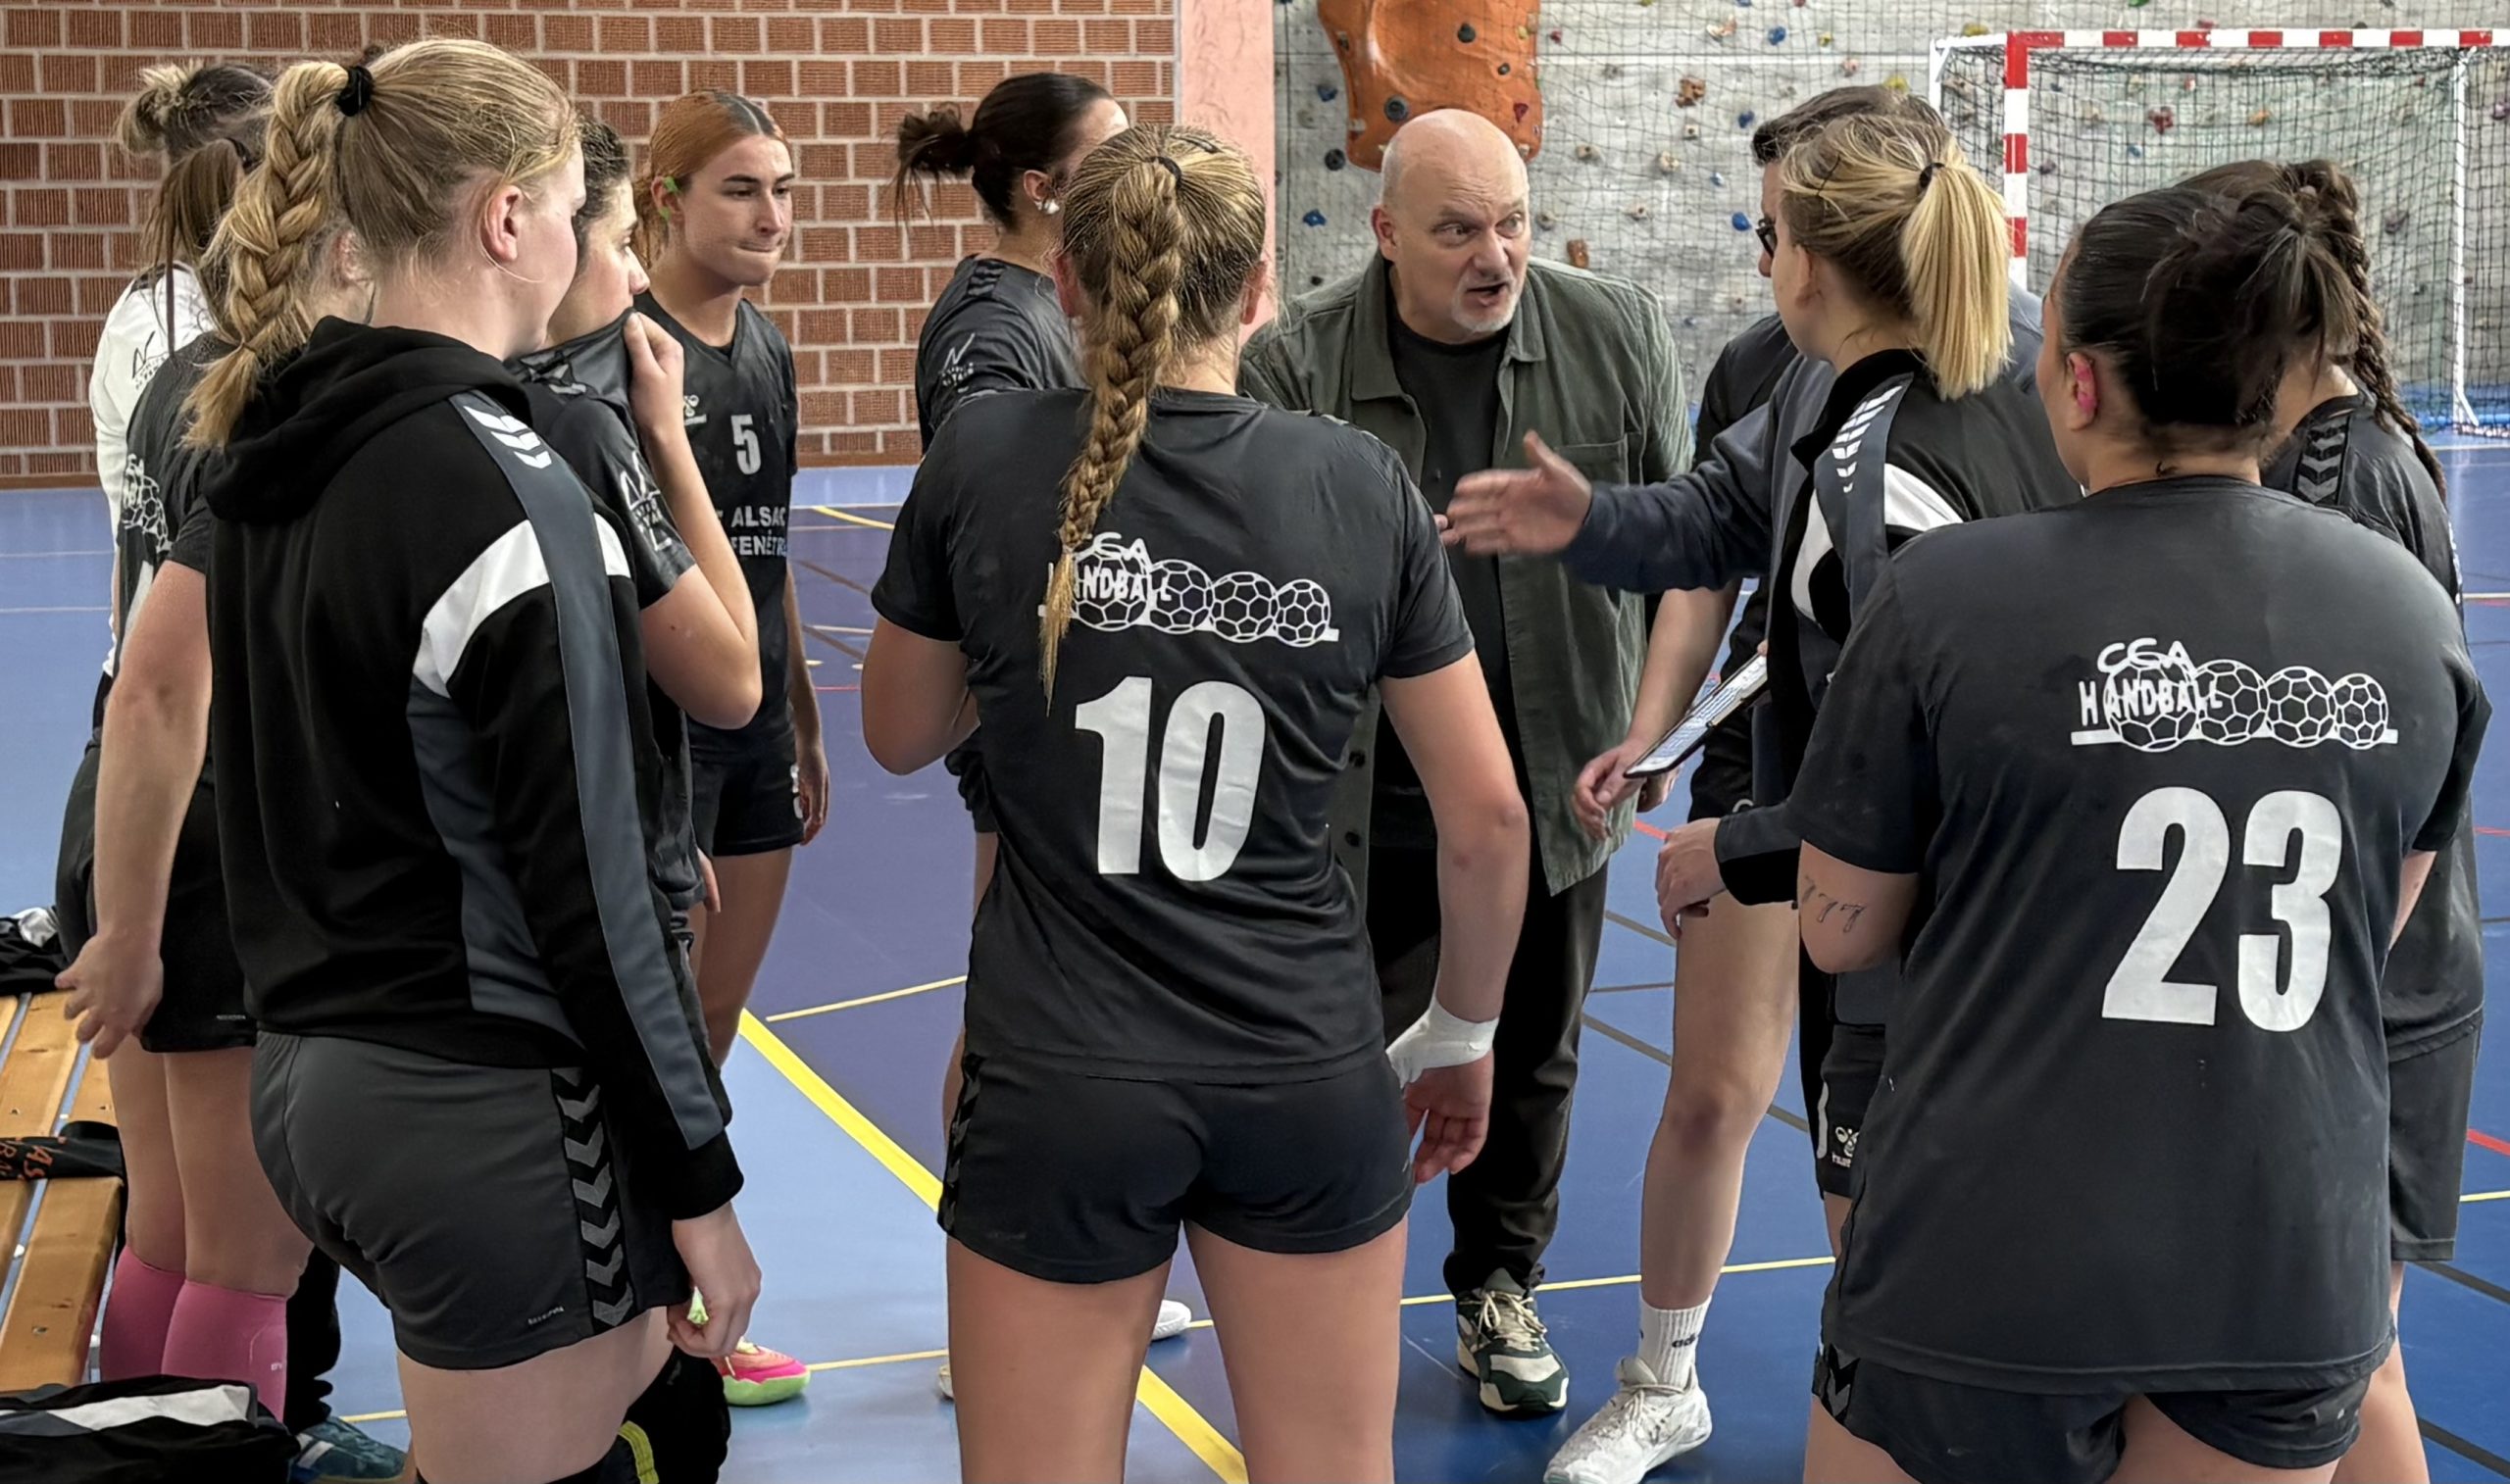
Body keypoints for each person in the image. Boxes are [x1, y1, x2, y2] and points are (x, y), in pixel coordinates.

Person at [1788, 175, 2487, 1484]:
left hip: (1987, 1247)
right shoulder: (2405, 608)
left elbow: (1844, 927)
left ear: (2078, 381)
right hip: (2283, 1255)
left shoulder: (1947, 596)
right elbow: (2383, 917)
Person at [862, 123, 1524, 1484]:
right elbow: (1491, 819)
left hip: (1059, 1078)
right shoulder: (1358, 483)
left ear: (1066, 289)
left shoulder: (982, 465)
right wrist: (1462, 1027)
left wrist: (1047, 632)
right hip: (1301, 1064)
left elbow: (896, 732)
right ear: (1262, 290)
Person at [180, 41, 756, 1484]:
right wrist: (700, 1178)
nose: (581, 238)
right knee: (655, 1418)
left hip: (313, 1078)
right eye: (573, 206)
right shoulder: (507, 477)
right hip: (476, 1093)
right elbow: (593, 881)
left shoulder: (280, 444)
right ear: (507, 221)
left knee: (639, 1413)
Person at [1445, 97, 2073, 1258]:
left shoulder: (1888, 475)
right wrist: (1589, 519)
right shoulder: (1828, 384)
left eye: (1771, 235)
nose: (1764, 256)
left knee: (1904, 1256)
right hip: (1986, 906)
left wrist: (1740, 846)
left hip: (1933, 934)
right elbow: (1716, 516)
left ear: (1815, 266)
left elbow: (1918, 757)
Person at [1237, 107, 1694, 1416]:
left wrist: (1654, 717)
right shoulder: (1297, 367)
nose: (1494, 254)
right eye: (1456, 229)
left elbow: (1680, 550)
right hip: (1357, 806)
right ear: (1384, 235)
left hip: (1557, 792)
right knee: (1343, 1065)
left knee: (1528, 1059)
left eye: (1513, 222)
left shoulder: (1615, 333)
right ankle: (1331, 1292)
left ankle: (1501, 1284)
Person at [57, 60, 408, 1484]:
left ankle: (141, 1451)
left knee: (171, 1229)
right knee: (250, 1256)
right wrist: (139, 926)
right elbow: (173, 678)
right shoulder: (266, 403)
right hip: (204, 822)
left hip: (127, 805)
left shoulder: (178, 372)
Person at [890, 72, 1191, 1396]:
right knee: (1014, 1017)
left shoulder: (1039, 315)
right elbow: (1000, 528)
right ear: (1042, 190)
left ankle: (1066, 1272)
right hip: (1030, 716)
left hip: (1082, 700)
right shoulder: (993, 333)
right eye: (1110, 155)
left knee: (1061, 1005)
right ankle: (992, 1308)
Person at [2190, 158, 2483, 1484]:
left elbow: (2371, 793)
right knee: (2337, 1351)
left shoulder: (2347, 486)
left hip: (2378, 993)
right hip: (2354, 979)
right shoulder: (2328, 453)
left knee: (2346, 1355)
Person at [1543, 317, 1802, 1484]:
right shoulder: (1759, 365)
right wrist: (1659, 729)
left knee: (1909, 1116)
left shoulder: (1994, 362)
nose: (1768, 257)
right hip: (1764, 771)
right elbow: (1708, 561)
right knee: (1711, 1091)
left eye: (1786, 227)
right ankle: (1664, 1381)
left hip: (1928, 776)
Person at [628, 90, 813, 1406]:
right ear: (669, 194)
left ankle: (681, 1294)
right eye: (743, 188)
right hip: (663, 748)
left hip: (749, 741)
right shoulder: (621, 352)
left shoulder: (768, 349)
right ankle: (648, 1300)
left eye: (786, 189)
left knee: (712, 1025)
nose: (771, 216)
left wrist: (798, 717)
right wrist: (653, 782)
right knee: (657, 1039)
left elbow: (769, 558)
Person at [85, 64, 262, 668]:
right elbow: (203, 494)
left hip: (213, 673)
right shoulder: (163, 329)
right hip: (172, 685)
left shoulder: (232, 308)